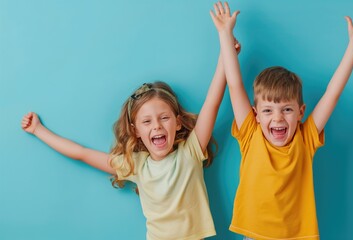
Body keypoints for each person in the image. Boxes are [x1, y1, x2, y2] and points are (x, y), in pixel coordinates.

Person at [21, 40, 241, 239]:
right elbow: (81, 153)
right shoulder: (136, 165)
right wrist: (39, 130)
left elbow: (212, 103)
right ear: (136, 131)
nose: (156, 125)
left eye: (164, 118)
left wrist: (226, 55)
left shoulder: (191, 151)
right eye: (147, 122)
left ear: (178, 122)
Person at [210, 2, 353, 240]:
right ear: (255, 114)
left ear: (301, 112)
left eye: (286, 109)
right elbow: (234, 85)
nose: (277, 118)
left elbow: (332, 94)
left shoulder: (306, 138)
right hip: (255, 234)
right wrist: (225, 34)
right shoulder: (250, 133)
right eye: (268, 111)